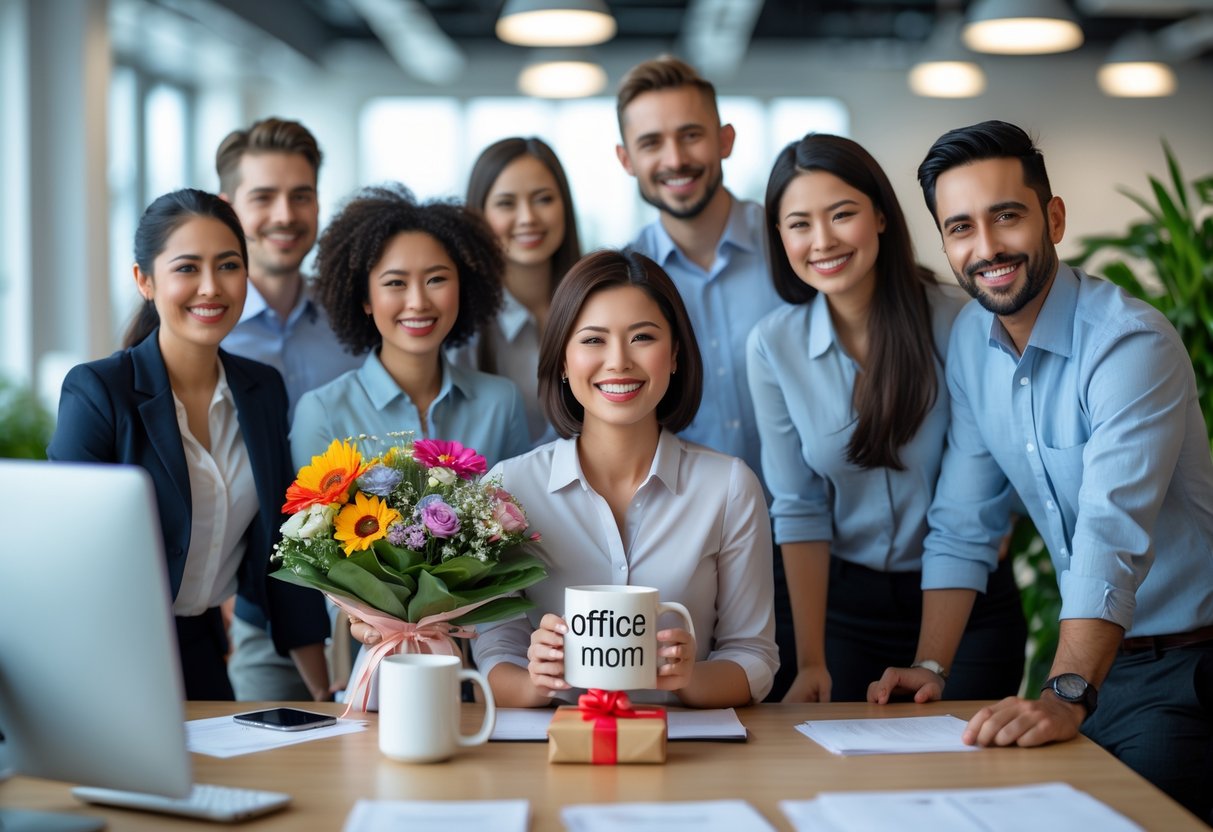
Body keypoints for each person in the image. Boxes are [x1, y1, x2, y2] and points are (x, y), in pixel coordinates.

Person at [867, 120, 1213, 823]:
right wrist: (931, 667)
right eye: (959, 227)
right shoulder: (970, 339)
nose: (986, 248)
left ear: (1051, 217)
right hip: (1086, 670)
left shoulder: (1127, 345)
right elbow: (964, 519)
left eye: (1006, 217)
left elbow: (1107, 536)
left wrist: (1066, 691)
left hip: (1186, 671)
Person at [747, 133, 1025, 703]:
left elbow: (1011, 451)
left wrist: (1005, 517)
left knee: (968, 774)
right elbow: (798, 509)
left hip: (967, 600)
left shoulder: (960, 321)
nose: (822, 240)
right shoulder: (773, 346)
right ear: (779, 237)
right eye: (799, 223)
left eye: (842, 214)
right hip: (845, 609)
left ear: (879, 215)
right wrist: (811, 659)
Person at [462, 249, 778, 709]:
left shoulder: (729, 487)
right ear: (563, 363)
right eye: (593, 340)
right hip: (550, 751)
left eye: (642, 338)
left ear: (674, 356)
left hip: (688, 753)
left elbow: (754, 657)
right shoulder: (509, 489)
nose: (618, 361)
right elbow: (494, 658)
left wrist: (688, 677)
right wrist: (536, 679)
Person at [47, 189, 330, 701]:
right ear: (145, 281)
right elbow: (65, 554)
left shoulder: (261, 390)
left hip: (200, 648)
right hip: (102, 655)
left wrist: (326, 695)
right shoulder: (98, 392)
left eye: (227, 266)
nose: (210, 288)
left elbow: (282, 549)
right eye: (187, 268)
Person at [615, 55, 793, 699]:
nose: (675, 157)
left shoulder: (794, 249)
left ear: (724, 140)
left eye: (691, 134)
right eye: (651, 142)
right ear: (625, 159)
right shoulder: (623, 285)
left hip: (809, 552)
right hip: (689, 560)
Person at [215, 117, 362, 701]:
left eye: (301, 195)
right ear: (228, 207)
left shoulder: (354, 322)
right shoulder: (205, 332)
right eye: (264, 197)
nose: (285, 214)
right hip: (255, 609)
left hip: (368, 604)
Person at [290, 184, 529, 472]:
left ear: (463, 287)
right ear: (365, 298)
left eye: (436, 279)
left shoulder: (503, 404)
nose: (418, 302)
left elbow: (518, 514)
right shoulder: (322, 413)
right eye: (395, 283)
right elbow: (311, 517)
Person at [460, 136, 582, 446]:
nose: (528, 218)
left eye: (543, 199)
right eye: (506, 203)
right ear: (479, 216)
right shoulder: (461, 326)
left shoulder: (598, 305)